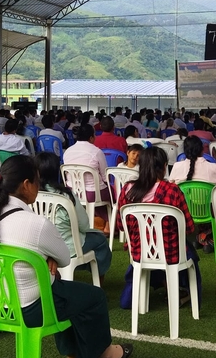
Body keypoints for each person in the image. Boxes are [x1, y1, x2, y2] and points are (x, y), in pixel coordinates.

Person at [0, 155, 132, 358]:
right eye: (37, 181)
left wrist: (47, 257)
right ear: (26, 184)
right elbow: (66, 258)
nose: (39, 187)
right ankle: (103, 353)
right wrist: (51, 257)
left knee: (62, 292)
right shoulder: (35, 224)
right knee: (93, 296)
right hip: (33, 309)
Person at [117, 147, 198, 302]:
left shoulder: (127, 190)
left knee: (156, 243)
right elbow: (189, 227)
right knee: (188, 251)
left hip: (139, 251)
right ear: (165, 165)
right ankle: (178, 288)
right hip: (169, 253)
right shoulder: (172, 190)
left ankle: (158, 284)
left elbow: (122, 226)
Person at [36, 152, 112, 281]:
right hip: (68, 248)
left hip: (41, 247)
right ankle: (99, 283)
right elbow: (84, 225)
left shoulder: (32, 195)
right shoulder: (66, 195)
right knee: (100, 241)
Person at [62, 124, 110, 224]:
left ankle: (95, 222)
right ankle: (108, 223)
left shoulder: (67, 151)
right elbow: (105, 177)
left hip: (72, 192)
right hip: (93, 194)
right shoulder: (96, 152)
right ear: (91, 137)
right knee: (111, 193)